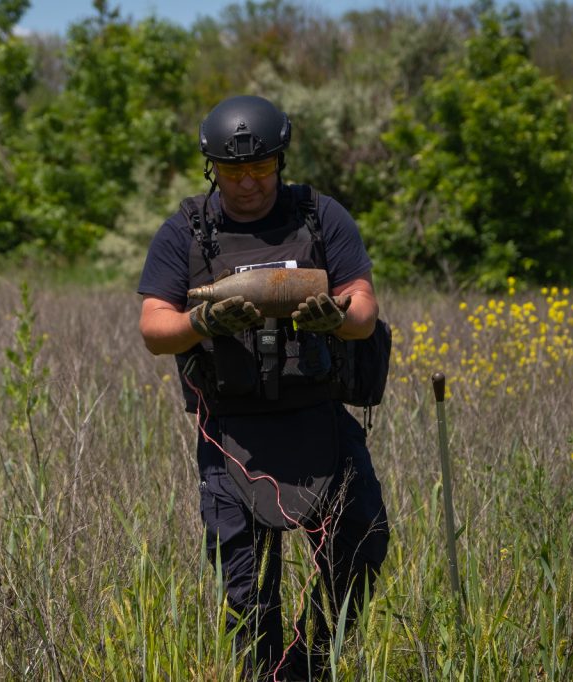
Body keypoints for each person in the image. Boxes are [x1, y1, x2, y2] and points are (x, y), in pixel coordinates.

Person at [137, 95, 390, 681]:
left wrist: (334, 318)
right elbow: (155, 327)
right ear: (212, 168)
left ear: (279, 161)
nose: (247, 182)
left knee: (363, 542)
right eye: (233, 170)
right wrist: (202, 322)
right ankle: (267, 672)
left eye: (259, 168)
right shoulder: (187, 231)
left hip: (320, 424)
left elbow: (365, 310)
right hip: (231, 436)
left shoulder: (321, 217)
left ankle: (308, 662)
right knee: (248, 590)